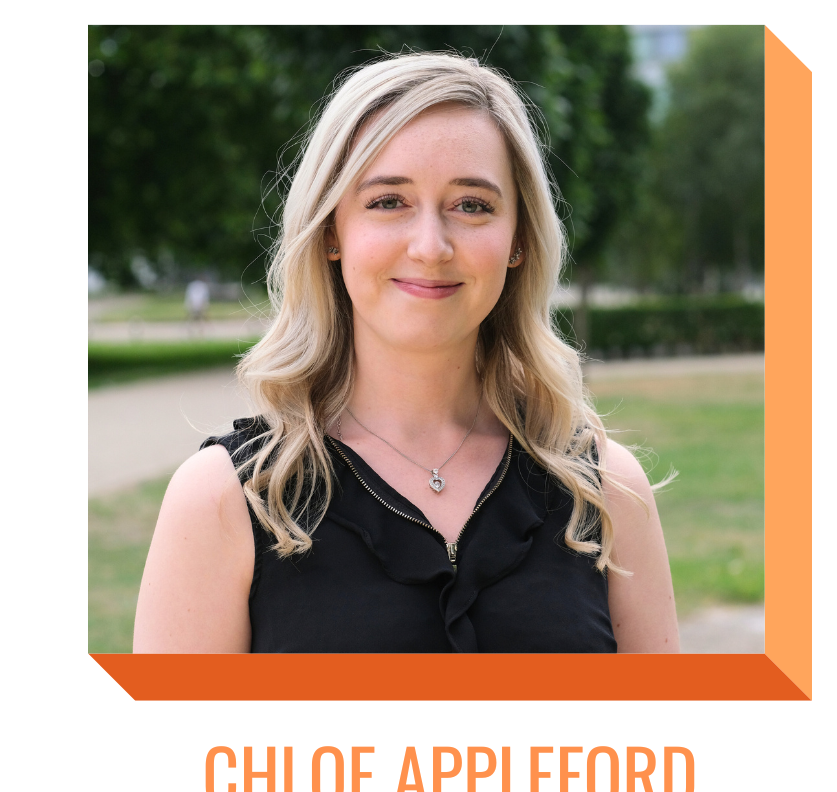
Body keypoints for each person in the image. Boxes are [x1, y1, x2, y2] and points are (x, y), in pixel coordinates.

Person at [133, 53, 679, 654]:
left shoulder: (605, 494)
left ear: (519, 239)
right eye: (388, 201)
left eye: (472, 205)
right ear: (332, 232)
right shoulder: (225, 501)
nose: (431, 246)